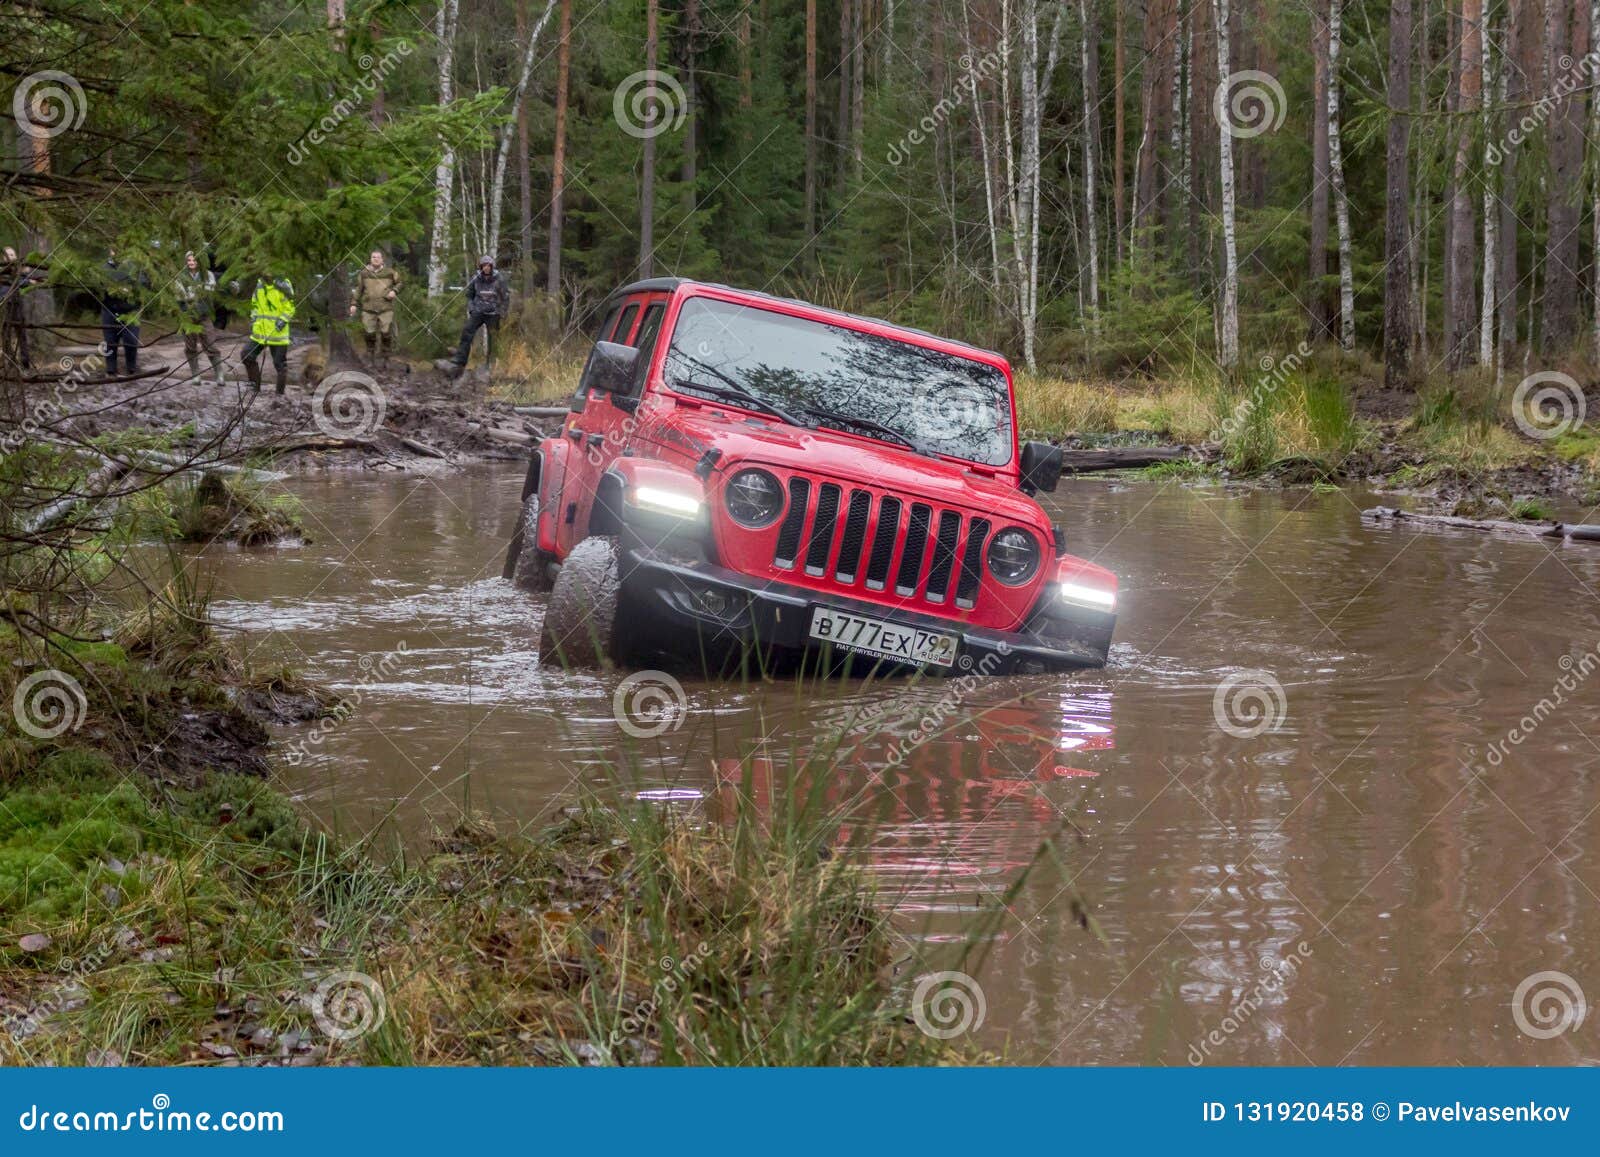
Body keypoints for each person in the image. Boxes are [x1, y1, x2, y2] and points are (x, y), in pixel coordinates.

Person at [445, 255, 510, 377]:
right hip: (478, 311)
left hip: (493, 313)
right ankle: (460, 360)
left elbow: (505, 297)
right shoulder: (476, 278)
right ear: (481, 267)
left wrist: (503, 312)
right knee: (467, 331)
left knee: (493, 339)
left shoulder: (499, 279)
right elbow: (469, 294)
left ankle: (491, 363)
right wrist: (471, 308)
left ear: (491, 266)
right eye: (484, 266)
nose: (486, 268)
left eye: (488, 266)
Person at [176, 250, 226, 384]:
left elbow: (209, 290)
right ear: (186, 262)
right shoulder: (180, 276)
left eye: (194, 260)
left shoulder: (207, 274)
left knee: (210, 344)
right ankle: (195, 375)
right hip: (187, 316)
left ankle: (219, 375)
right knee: (190, 346)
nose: (192, 263)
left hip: (204, 316)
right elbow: (180, 295)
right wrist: (195, 293)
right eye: (189, 260)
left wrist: (193, 293)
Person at [242, 274, 295, 393]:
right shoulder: (259, 284)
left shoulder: (283, 284)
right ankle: (255, 387)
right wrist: (253, 318)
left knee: (279, 364)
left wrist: (283, 319)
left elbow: (290, 306)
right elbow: (254, 304)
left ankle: (280, 394)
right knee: (246, 355)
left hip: (278, 334)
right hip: (260, 332)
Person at [349, 250, 401, 367]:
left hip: (386, 308)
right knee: (369, 334)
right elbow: (358, 290)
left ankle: (386, 358)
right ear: (370, 259)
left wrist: (394, 291)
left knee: (386, 333)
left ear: (382, 260)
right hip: (368, 309)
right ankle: (370, 358)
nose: (376, 259)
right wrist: (353, 304)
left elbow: (400, 283)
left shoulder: (390, 272)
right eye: (373, 257)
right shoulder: (364, 274)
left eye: (378, 257)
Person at [99, 247, 146, 377]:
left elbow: (143, 282)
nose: (116, 253)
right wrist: (114, 288)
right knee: (110, 341)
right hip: (109, 309)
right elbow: (98, 286)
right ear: (110, 252)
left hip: (130, 311)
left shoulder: (133, 266)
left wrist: (128, 289)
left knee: (131, 340)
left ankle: (131, 368)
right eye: (114, 250)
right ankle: (111, 370)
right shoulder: (103, 268)